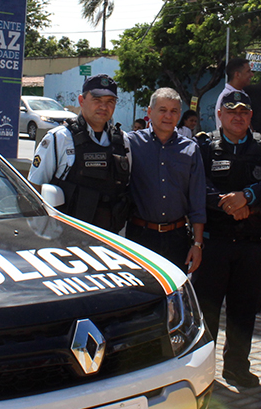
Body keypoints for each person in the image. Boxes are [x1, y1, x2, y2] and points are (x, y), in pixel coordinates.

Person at [193, 91, 261, 388]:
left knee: (244, 309)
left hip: (252, 243)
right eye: (232, 111)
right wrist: (227, 203)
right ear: (220, 114)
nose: (238, 117)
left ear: (250, 116)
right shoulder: (204, 145)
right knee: (207, 311)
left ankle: (237, 367)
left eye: (244, 112)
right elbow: (197, 184)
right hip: (215, 242)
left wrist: (246, 197)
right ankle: (204, 371)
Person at [28, 74, 131, 233]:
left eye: (110, 101)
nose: (104, 107)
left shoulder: (122, 141)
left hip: (110, 239)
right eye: (97, 100)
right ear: (82, 101)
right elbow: (35, 187)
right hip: (66, 238)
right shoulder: (59, 139)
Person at [126, 88, 206, 273]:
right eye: (162, 110)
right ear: (149, 112)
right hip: (140, 236)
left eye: (174, 111)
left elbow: (197, 201)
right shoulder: (130, 144)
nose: (168, 116)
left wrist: (197, 244)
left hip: (177, 238)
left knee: (174, 297)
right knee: (139, 295)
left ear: (179, 114)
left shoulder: (191, 150)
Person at [215, 58, 253, 125]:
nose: (251, 75)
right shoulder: (227, 97)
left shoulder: (243, 94)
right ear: (237, 74)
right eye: (248, 71)